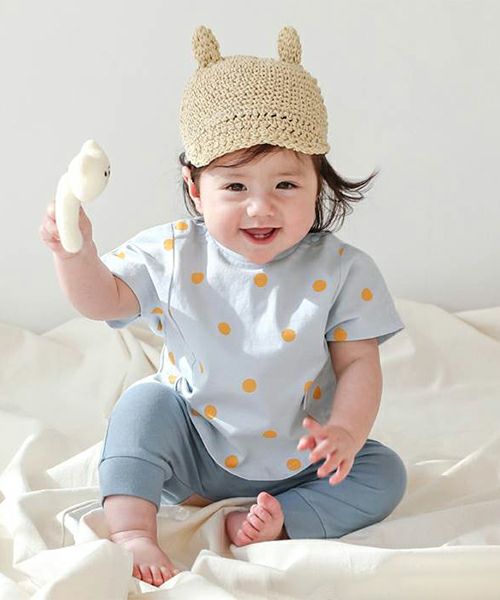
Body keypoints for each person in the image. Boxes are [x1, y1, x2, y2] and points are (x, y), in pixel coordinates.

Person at [40, 25, 407, 588]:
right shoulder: (172, 252)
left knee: (385, 474)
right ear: (195, 187)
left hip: (298, 459)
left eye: (286, 185)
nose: (261, 207)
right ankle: (133, 529)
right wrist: (75, 253)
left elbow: (359, 363)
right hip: (193, 450)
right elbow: (101, 300)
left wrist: (345, 433)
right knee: (142, 407)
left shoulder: (343, 269)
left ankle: (277, 520)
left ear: (318, 183)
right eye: (235, 187)